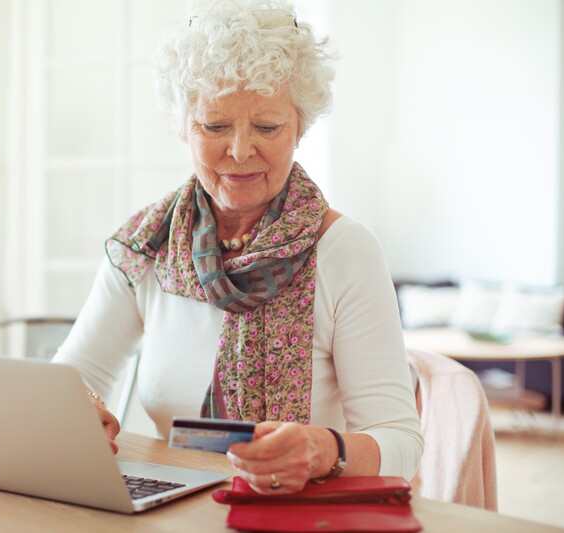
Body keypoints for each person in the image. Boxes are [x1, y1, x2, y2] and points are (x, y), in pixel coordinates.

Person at [53, 0, 422, 495]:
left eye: (267, 127)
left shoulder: (345, 251)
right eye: (215, 126)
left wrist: (325, 450)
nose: (241, 150)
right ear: (184, 125)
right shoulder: (147, 244)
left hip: (301, 512)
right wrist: (78, 410)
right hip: (177, 505)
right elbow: (73, 378)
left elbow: (401, 441)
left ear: (301, 127)